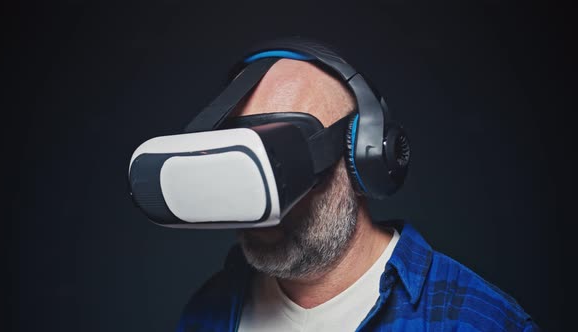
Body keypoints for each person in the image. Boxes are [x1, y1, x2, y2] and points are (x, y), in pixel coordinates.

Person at [176, 51, 538, 331]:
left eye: (287, 165)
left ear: (364, 160)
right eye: (248, 165)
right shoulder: (210, 309)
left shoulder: (474, 321)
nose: (265, 199)